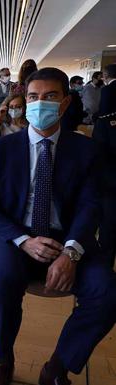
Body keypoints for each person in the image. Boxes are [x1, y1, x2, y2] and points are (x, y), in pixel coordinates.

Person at [0, 67, 116, 385]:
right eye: (34, 97)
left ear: (65, 103)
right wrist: (24, 240)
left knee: (107, 292)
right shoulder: (1, 150)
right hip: (15, 237)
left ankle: (57, 367)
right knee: (4, 278)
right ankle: (4, 359)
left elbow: (91, 206)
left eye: (50, 97)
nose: (41, 103)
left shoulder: (86, 150)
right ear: (25, 101)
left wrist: (71, 252)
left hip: (68, 240)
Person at [93, 63, 116, 268]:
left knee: (108, 234)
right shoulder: (107, 123)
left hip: (110, 185)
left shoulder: (106, 121)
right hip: (110, 185)